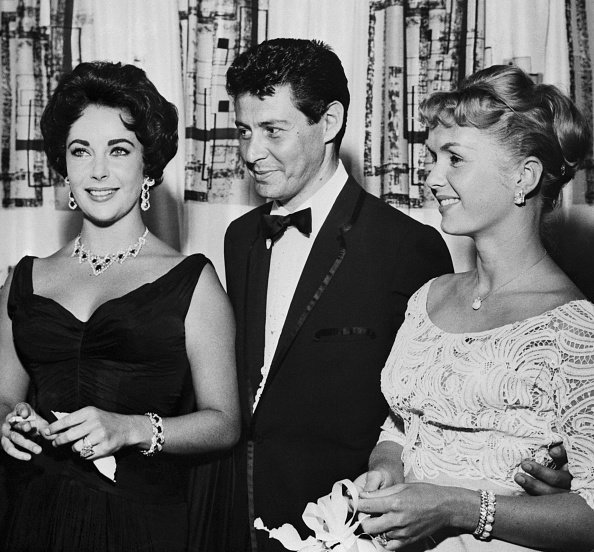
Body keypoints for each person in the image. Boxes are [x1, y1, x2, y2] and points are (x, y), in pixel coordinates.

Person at [223, 38, 454, 552]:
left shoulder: (408, 246)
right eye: (244, 131)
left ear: (329, 122)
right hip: (234, 516)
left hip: (345, 527)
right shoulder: (238, 238)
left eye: (272, 131)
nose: (251, 153)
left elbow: (422, 413)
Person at [0, 61, 240, 552]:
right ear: (64, 168)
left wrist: (130, 428)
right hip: (31, 514)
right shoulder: (24, 278)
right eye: (81, 151)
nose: (99, 171)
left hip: (141, 524)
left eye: (119, 150)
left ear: (147, 165)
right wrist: (9, 417)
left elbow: (224, 423)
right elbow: (3, 396)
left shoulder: (193, 281)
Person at [356, 64, 594, 551]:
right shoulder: (428, 297)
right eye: (431, 157)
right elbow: (402, 424)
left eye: (454, 159)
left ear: (523, 177)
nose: (431, 177)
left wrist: (457, 506)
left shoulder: (575, 329)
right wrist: (385, 465)